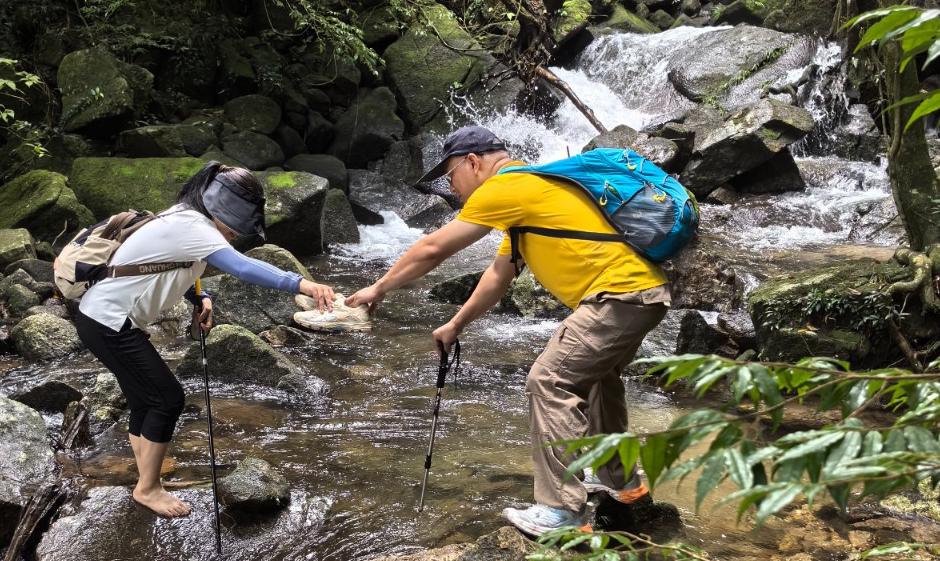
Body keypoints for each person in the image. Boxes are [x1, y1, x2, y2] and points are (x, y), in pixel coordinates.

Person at [347, 124, 670, 537]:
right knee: (595, 379)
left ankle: (562, 511)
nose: (452, 188)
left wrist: (378, 288)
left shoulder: (506, 187)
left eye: (450, 176)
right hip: (641, 294)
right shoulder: (529, 195)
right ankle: (623, 484)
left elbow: (433, 248)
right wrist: (455, 324)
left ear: (473, 162)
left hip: (619, 295)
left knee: (549, 381)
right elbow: (499, 275)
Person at [74, 161, 335, 517]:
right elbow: (242, 266)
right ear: (220, 210)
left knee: (144, 401)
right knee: (168, 399)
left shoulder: (183, 216)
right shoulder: (193, 225)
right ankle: (148, 489)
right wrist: (302, 284)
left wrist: (201, 297)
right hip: (108, 322)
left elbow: (169, 263)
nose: (233, 235)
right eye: (234, 228)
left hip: (106, 319)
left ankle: (148, 477)